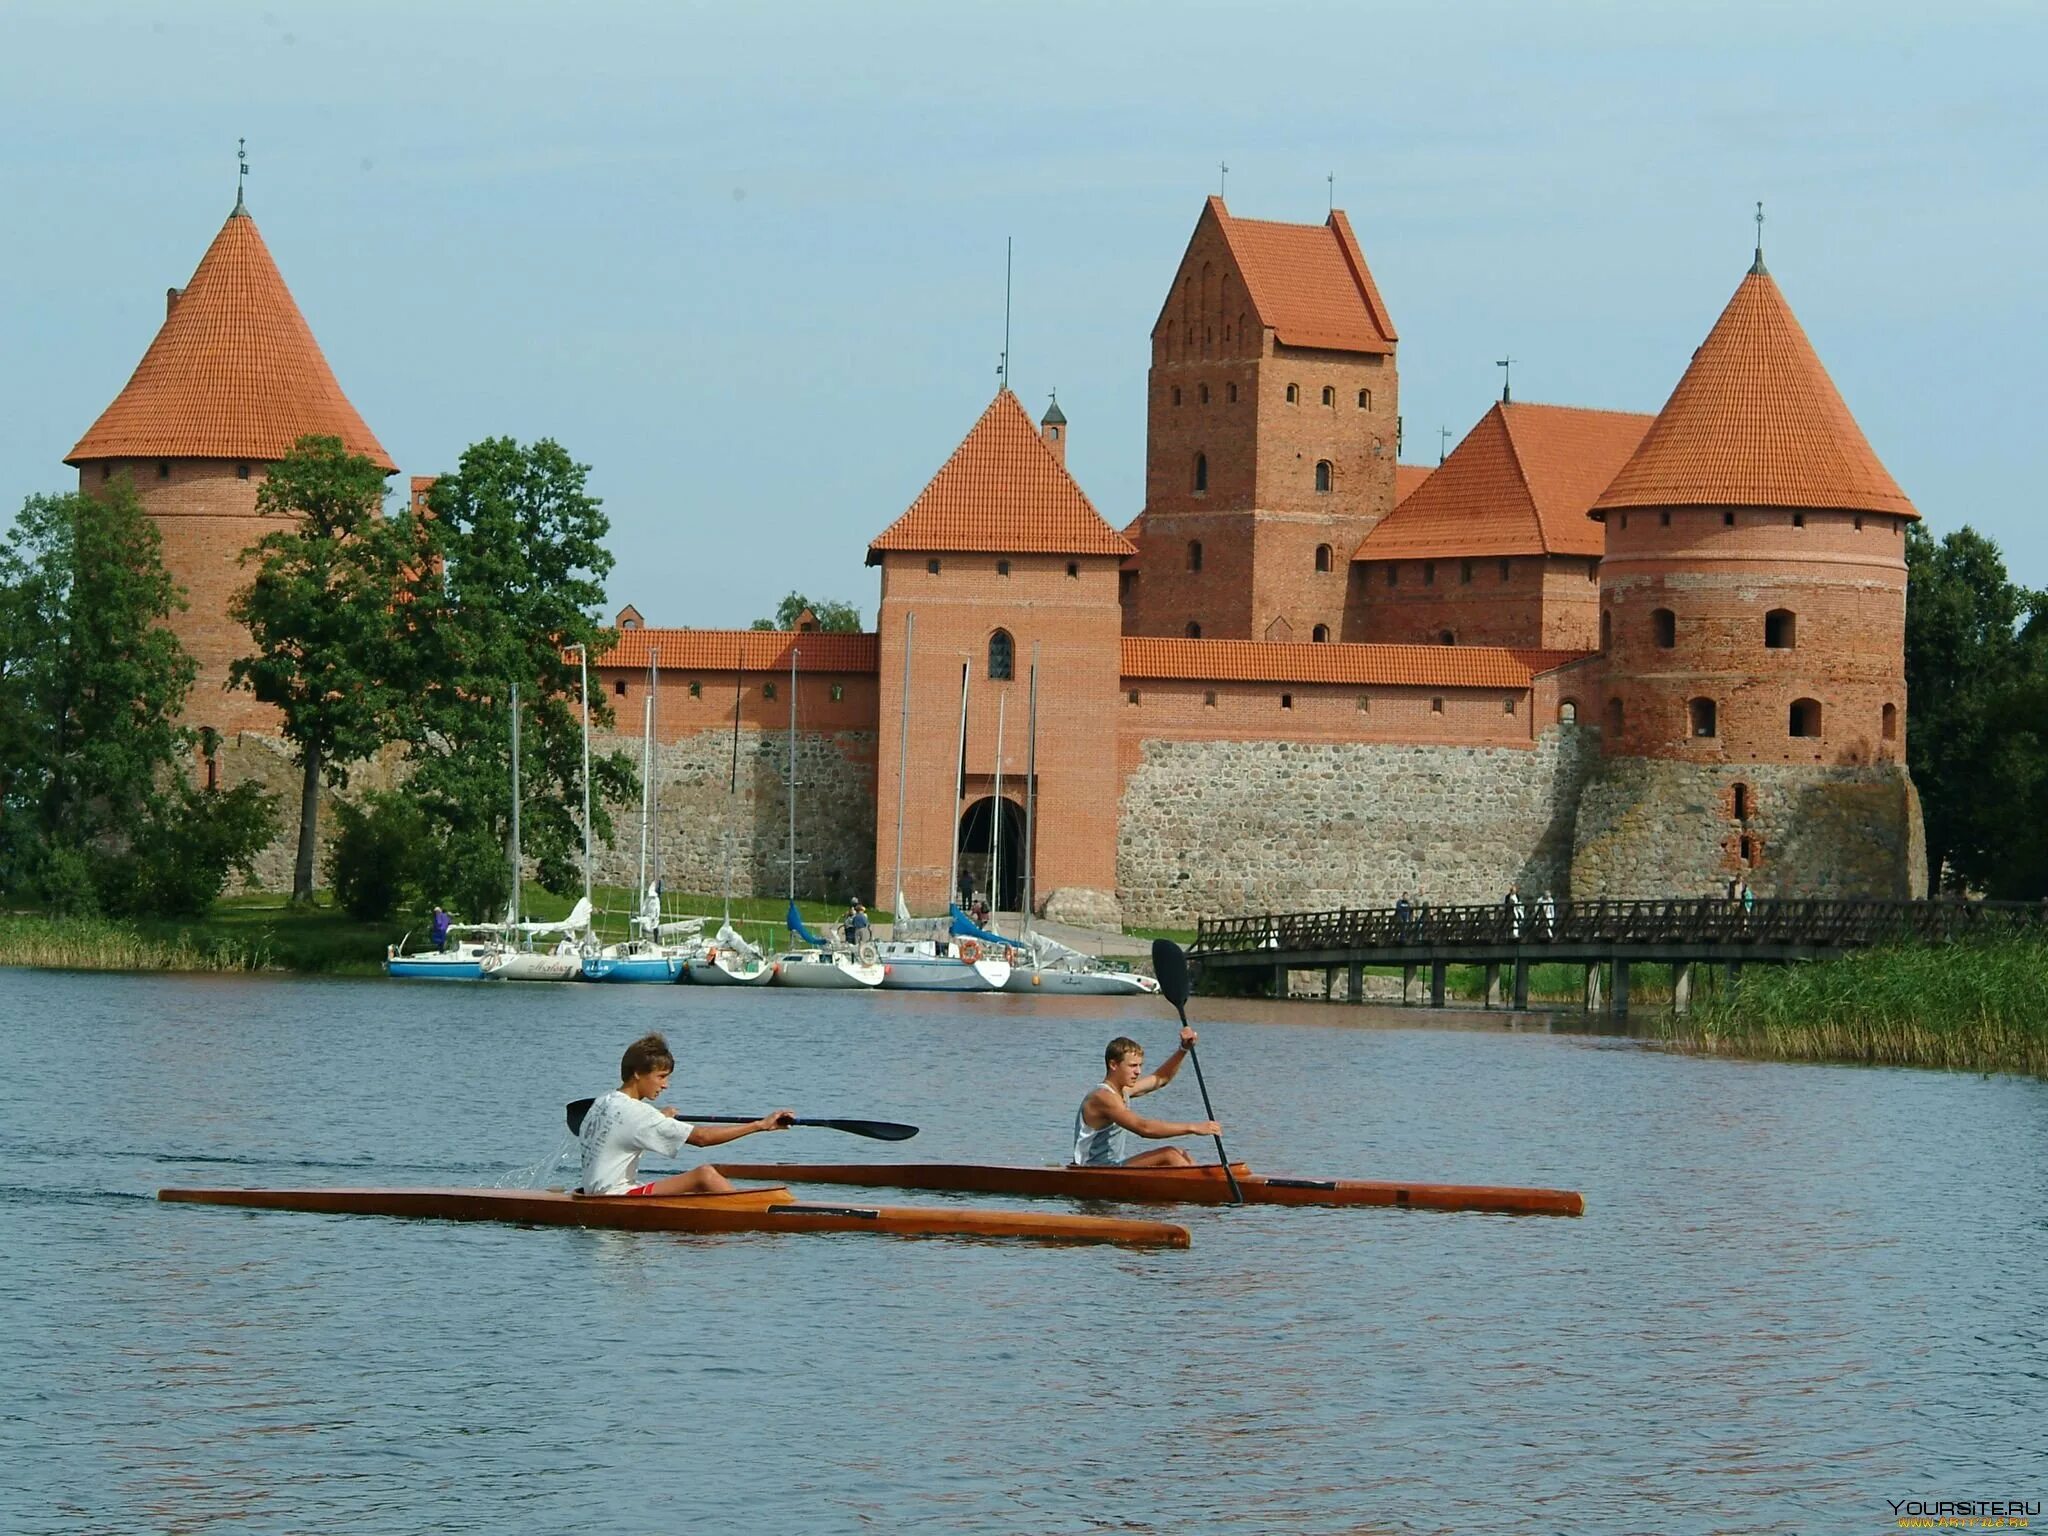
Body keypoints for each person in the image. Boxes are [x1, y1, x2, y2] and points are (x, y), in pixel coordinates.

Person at [578, 1032, 794, 1197]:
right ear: (637, 1073)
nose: (665, 1085)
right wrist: (760, 1125)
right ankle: (755, 1218)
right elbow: (702, 1138)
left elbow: (627, 1127)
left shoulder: (604, 1101)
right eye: (661, 1077)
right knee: (704, 1175)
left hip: (594, 1193)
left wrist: (660, 1118)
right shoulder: (639, 1115)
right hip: (616, 1197)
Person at [1072, 1030, 1221, 1169]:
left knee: (1180, 1153)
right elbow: (1144, 1128)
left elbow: (1161, 1078)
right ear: (1113, 1065)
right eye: (1132, 1066)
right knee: (1169, 1154)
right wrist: (1193, 1127)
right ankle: (1204, 1190)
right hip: (1091, 1169)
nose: (1138, 1071)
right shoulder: (1103, 1097)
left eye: (1140, 1065)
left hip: (1112, 1166)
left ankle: (1209, 1185)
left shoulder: (1124, 1090)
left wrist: (1183, 1049)